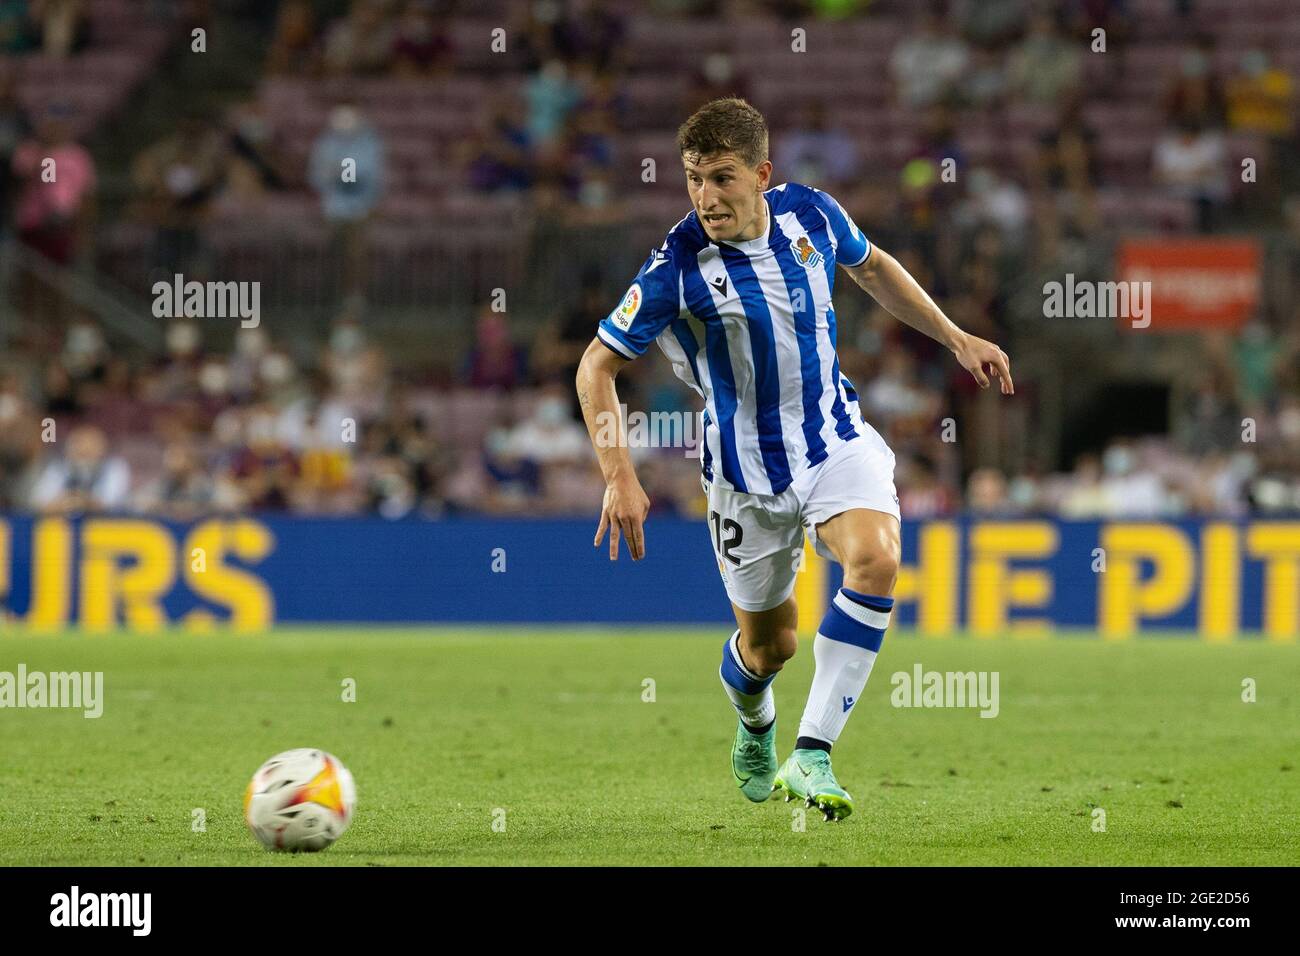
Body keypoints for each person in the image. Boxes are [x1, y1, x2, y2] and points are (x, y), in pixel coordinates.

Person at [574, 98, 1013, 821]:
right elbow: (596, 367)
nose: (705, 198)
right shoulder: (675, 268)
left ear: (761, 174)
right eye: (692, 179)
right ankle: (755, 721)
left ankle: (812, 753)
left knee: (875, 558)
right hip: (744, 476)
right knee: (770, 648)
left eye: (721, 178)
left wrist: (956, 336)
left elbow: (873, 269)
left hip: (833, 438)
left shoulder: (811, 213)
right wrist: (619, 475)